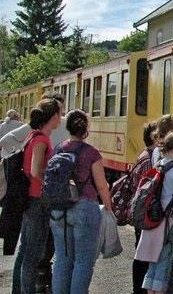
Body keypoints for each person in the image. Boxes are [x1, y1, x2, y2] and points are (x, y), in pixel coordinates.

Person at [49, 109, 115, 294]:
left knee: (62, 258)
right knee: (83, 261)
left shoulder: (59, 149)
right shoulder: (91, 153)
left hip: (59, 208)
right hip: (85, 207)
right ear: (86, 128)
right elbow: (102, 186)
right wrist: (108, 206)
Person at [11, 98, 61, 294]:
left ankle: (19, 289)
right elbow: (35, 170)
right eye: (59, 114)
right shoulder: (41, 139)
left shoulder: (34, 135)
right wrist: (53, 184)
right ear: (53, 116)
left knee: (26, 251)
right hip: (37, 200)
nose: (61, 118)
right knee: (33, 253)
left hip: (31, 199)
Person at [135, 132, 173, 294]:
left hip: (155, 217)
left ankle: (150, 290)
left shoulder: (159, 164)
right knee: (166, 261)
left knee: (154, 261)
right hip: (169, 221)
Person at [132, 122, 158, 294]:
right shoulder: (149, 160)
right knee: (144, 255)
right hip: (147, 215)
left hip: (141, 213)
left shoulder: (142, 155)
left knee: (141, 253)